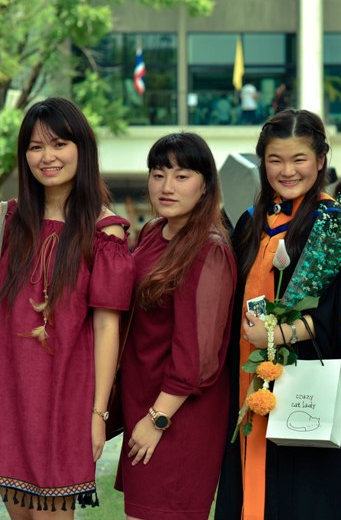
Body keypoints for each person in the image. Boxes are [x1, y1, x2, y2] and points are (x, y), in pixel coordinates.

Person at [0, 97, 134, 514]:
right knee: (19, 513)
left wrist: (98, 414)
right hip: (5, 395)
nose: (47, 157)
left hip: (67, 399)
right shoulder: (5, 221)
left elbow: (107, 327)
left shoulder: (105, 232)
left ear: (81, 149)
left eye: (59, 144)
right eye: (35, 147)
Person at [215, 109, 341, 520]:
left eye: (299, 159)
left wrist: (275, 337)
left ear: (320, 160)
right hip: (246, 377)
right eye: (275, 159)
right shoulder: (251, 220)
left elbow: (335, 313)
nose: (287, 170)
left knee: (297, 496)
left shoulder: (331, 225)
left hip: (302, 382)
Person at [115, 133, 236, 519]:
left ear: (205, 186)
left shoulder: (208, 249)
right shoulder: (153, 231)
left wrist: (157, 419)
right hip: (143, 398)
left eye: (182, 176)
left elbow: (199, 354)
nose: (167, 186)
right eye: (158, 174)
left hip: (178, 413)